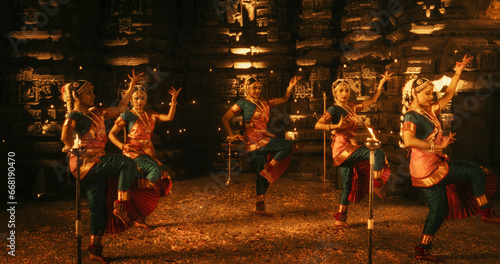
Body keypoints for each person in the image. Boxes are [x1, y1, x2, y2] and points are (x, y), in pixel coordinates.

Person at [400, 55, 500, 262]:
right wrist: (437, 146)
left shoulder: (428, 111)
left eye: (431, 92)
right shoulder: (412, 116)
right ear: (414, 95)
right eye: (426, 93)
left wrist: (458, 72)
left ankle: (423, 249)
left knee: (438, 210)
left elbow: (449, 94)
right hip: (429, 167)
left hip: (425, 168)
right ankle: (485, 212)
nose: (431, 95)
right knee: (474, 170)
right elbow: (408, 140)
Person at [60, 70, 151, 263]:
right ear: (77, 96)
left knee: (98, 207)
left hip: (97, 163)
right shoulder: (75, 115)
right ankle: (121, 207)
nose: (93, 95)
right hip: (85, 164)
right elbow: (65, 136)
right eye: (89, 93)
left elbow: (120, 108)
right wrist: (77, 150)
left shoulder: (96, 112)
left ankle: (95, 250)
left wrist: (132, 86)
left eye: (93, 91)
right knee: (127, 162)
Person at [314, 72, 392, 227]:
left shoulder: (352, 107)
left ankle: (340, 219)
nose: (344, 93)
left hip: (350, 148)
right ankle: (377, 184)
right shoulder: (334, 110)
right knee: (377, 152)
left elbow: (373, 100)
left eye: (347, 90)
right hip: (342, 149)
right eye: (341, 90)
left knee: (347, 186)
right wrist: (335, 126)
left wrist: (382, 82)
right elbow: (318, 125)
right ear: (335, 93)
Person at [221, 75, 302, 216]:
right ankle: (270, 168)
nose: (257, 90)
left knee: (260, 174)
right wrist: (232, 135)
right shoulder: (242, 103)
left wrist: (290, 88)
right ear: (247, 88)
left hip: (263, 137)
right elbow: (225, 118)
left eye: (259, 87)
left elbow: (284, 99)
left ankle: (260, 205)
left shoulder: (264, 101)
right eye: (254, 88)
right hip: (254, 139)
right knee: (287, 146)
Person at [108, 85, 182, 227]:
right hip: (133, 153)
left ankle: (139, 215)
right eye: (136, 98)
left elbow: (169, 117)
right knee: (155, 171)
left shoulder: (150, 114)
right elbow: (111, 134)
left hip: (148, 152)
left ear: (146, 100)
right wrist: (122, 146)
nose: (139, 101)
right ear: (131, 100)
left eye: (142, 98)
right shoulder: (127, 115)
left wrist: (173, 101)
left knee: (160, 175)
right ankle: (139, 198)